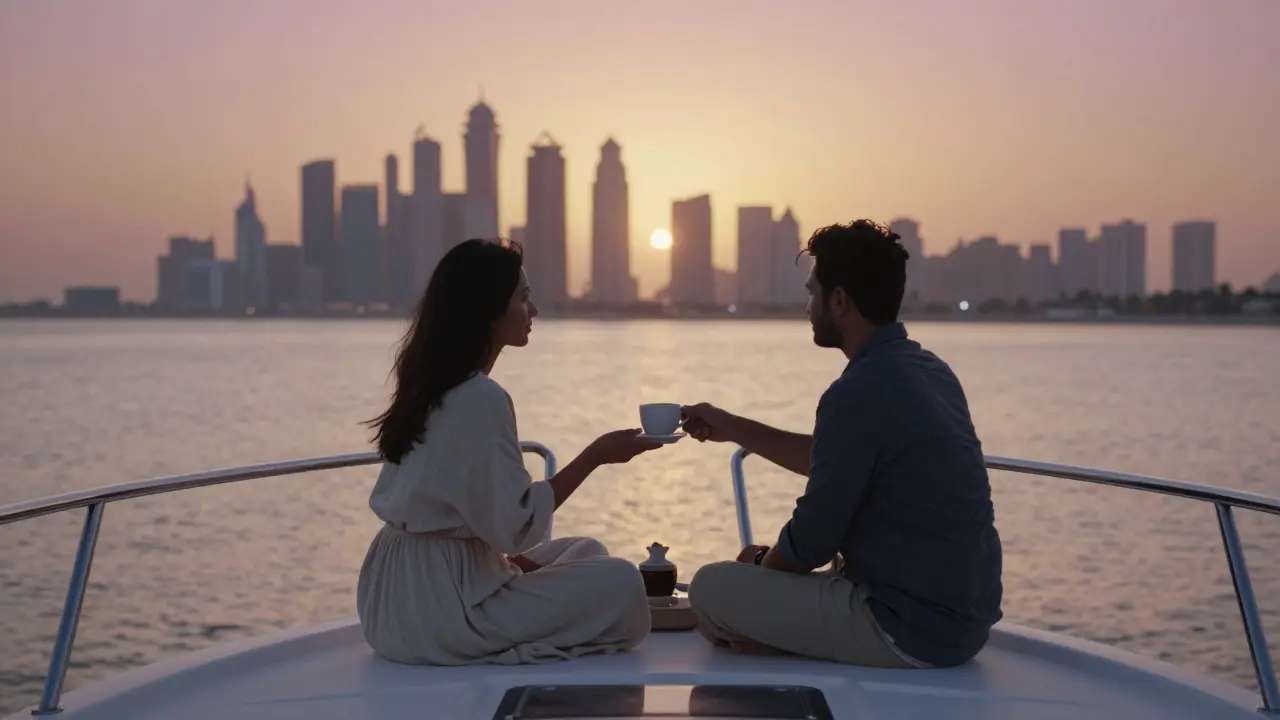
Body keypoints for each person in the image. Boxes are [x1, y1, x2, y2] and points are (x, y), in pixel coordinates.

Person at [682, 219, 1003, 669]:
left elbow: (809, 543)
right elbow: (835, 459)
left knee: (711, 588)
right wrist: (733, 427)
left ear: (839, 300)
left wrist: (756, 583)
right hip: (965, 624)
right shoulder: (931, 371)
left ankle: (775, 640)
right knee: (752, 563)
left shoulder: (856, 392)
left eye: (813, 293)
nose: (809, 305)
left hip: (906, 628)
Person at [357, 238, 660, 666]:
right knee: (621, 582)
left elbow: (474, 513)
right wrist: (595, 455)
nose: (533, 311)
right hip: (441, 612)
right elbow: (517, 527)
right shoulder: (480, 397)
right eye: (523, 298)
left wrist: (506, 564)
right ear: (489, 310)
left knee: (585, 551)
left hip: (390, 599)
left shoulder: (430, 384)